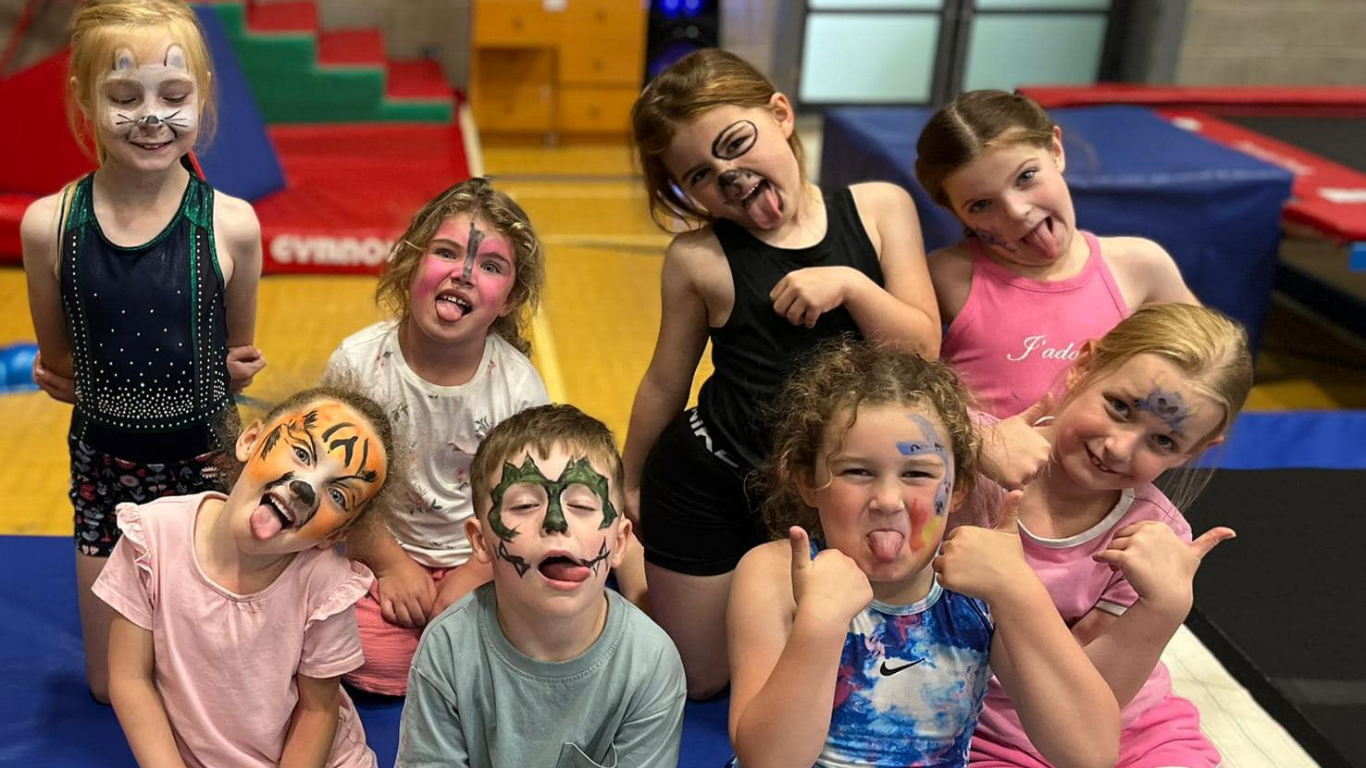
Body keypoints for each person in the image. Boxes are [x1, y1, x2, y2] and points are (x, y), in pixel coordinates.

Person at [626, 47, 941, 698]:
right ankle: (635, 564)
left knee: (840, 662)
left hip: (833, 494)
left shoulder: (880, 209)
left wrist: (852, 284)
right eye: (703, 175)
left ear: (781, 114)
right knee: (699, 681)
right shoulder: (699, 257)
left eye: (737, 143)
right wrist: (627, 483)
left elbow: (921, 353)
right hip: (713, 480)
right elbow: (665, 381)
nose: (731, 177)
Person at [19, 0, 265, 703]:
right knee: (112, 686)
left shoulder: (232, 227)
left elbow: (236, 354)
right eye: (124, 97)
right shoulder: (50, 226)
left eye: (175, 95)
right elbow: (59, 364)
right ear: (83, 98)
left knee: (203, 678)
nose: (151, 116)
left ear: (204, 94)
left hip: (205, 476)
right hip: (104, 474)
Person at [727, 339, 1119, 768]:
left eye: (917, 473)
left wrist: (1019, 591)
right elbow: (766, 761)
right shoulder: (776, 575)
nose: (889, 500)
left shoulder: (977, 593)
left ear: (959, 489)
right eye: (858, 471)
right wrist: (820, 624)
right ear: (807, 480)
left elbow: (1090, 753)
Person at [960, 303, 1252, 768]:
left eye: (1163, 441)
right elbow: (848, 426)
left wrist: (1164, 608)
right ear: (1083, 367)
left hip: (1125, 725)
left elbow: (1090, 710)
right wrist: (966, 443)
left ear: (1194, 450)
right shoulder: (961, 449)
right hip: (983, 726)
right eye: (1119, 407)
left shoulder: (1154, 536)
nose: (1119, 448)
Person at [322, 177, 551, 695]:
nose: (463, 274)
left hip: (482, 557)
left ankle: (458, 649)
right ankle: (452, 657)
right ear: (410, 262)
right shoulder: (359, 364)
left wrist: (476, 572)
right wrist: (390, 564)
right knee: (358, 649)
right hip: (378, 546)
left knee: (546, 612)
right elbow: (335, 487)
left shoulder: (517, 386)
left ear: (510, 298)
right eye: (445, 253)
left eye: (490, 266)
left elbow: (524, 505)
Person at [93, 385, 401, 768]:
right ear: (251, 441)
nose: (305, 488)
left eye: (337, 496)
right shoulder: (151, 539)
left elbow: (317, 711)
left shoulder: (325, 588)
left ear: (334, 534)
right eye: (303, 454)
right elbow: (130, 679)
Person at [396, 404, 686, 767]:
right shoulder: (449, 648)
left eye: (582, 504)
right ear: (481, 541)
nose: (556, 522)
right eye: (524, 505)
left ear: (620, 542)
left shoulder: (650, 661)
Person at [915, 89, 1196, 419]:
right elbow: (897, 393)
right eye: (981, 205)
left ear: (1056, 150)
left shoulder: (1139, 265)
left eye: (1026, 177)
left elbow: (1208, 366)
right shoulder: (944, 277)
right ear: (955, 212)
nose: (1017, 211)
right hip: (983, 469)